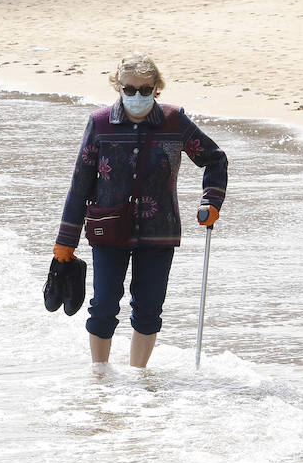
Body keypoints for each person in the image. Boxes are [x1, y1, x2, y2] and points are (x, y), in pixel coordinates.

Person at [52, 52, 227, 369]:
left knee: (148, 309)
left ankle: (139, 379)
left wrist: (210, 201)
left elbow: (215, 159)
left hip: (159, 231)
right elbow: (79, 184)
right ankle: (100, 380)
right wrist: (66, 241)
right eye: (129, 89)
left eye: (145, 90)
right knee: (103, 305)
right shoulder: (100, 123)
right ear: (117, 87)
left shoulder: (175, 121)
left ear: (157, 88)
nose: (136, 96)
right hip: (108, 231)